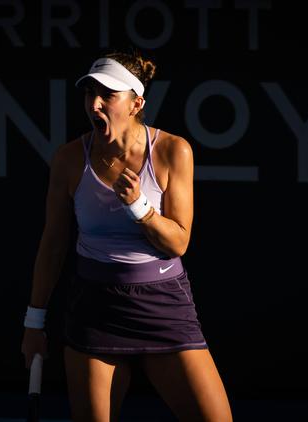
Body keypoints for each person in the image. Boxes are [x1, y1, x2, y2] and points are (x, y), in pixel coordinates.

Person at [21, 47, 233, 422]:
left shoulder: (172, 150)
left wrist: (139, 207)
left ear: (136, 104)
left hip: (164, 305)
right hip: (95, 308)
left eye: (108, 94)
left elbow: (178, 242)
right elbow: (52, 245)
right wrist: (33, 324)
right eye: (90, 93)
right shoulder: (69, 159)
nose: (95, 103)